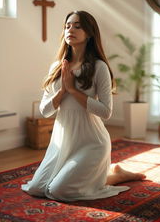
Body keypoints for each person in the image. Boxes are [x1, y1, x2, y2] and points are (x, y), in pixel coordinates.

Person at [21, 11, 145, 201]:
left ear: (89, 33)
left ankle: (115, 176)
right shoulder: (56, 67)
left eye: (77, 26)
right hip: (62, 142)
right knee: (37, 189)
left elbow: (106, 112)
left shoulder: (99, 67)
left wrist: (72, 89)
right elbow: (45, 111)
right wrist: (62, 91)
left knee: (58, 191)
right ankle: (107, 174)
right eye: (67, 25)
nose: (71, 29)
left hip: (92, 143)